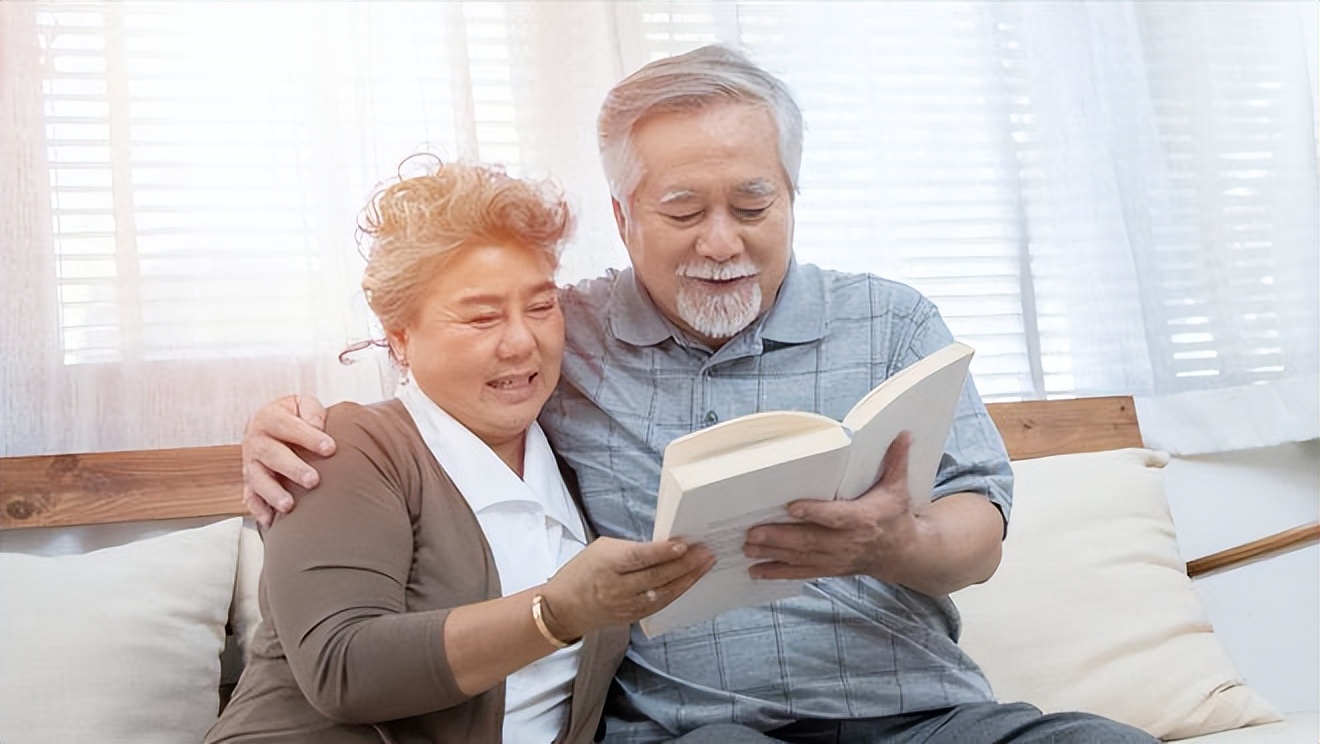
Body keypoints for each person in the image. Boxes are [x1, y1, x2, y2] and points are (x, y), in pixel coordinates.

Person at [241, 46, 1157, 743]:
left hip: (923, 715)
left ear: (792, 195)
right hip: (698, 730)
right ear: (623, 216)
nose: (721, 243)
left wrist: (895, 542)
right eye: (682, 211)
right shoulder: (568, 334)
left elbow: (979, 534)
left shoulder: (892, 321)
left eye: (753, 207)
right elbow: (443, 369)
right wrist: (284, 428)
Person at [207, 160, 714, 744]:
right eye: (481, 317)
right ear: (400, 336)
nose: (520, 341)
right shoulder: (347, 447)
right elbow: (341, 669)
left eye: (541, 307)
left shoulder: (576, 453)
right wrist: (555, 612)